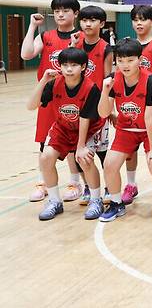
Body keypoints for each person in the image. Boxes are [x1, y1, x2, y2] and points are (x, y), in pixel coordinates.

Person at [26, 48, 106, 220]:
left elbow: (85, 118)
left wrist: (80, 146)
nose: (69, 69)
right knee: (46, 157)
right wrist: (43, 81)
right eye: (65, 65)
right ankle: (55, 201)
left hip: (88, 129)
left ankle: (96, 200)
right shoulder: (54, 84)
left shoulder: (91, 88)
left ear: (83, 67)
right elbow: (31, 106)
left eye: (74, 65)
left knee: (84, 159)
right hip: (63, 128)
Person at [98, 38, 152, 223]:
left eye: (130, 60)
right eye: (120, 60)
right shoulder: (113, 79)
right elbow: (104, 113)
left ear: (140, 59)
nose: (125, 65)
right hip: (127, 128)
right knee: (109, 164)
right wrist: (105, 91)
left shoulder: (151, 81)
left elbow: (150, 118)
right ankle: (116, 203)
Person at [20, 0, 85, 203]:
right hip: (49, 96)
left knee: (72, 142)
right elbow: (26, 54)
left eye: (65, 11)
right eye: (57, 11)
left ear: (75, 13)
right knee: (44, 141)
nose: (60, 14)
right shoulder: (46, 36)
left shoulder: (82, 36)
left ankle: (75, 182)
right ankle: (43, 182)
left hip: (72, 96)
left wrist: (75, 44)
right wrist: (32, 27)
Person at [120, 5, 152, 206]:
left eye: (143, 19)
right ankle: (131, 184)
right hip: (131, 106)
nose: (139, 23)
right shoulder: (126, 45)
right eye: (135, 19)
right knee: (130, 149)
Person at [69, 5, 113, 204]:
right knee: (78, 150)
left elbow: (108, 80)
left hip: (97, 108)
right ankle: (87, 186)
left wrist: (109, 108)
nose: (88, 24)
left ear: (101, 23)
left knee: (102, 151)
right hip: (77, 106)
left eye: (93, 20)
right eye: (85, 20)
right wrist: (72, 45)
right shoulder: (76, 44)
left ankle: (109, 187)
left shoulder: (106, 48)